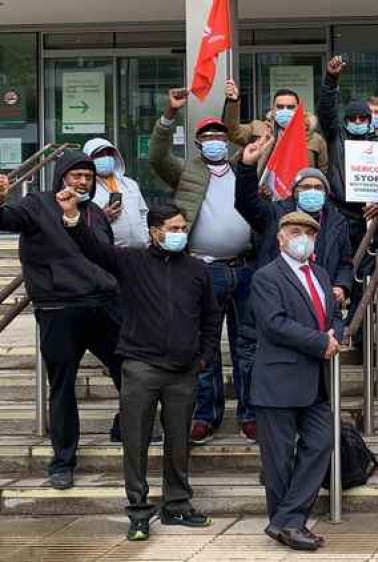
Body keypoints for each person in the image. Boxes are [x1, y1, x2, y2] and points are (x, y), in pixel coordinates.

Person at [60, 199, 220, 541]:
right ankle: (138, 510)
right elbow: (93, 248)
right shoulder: (131, 261)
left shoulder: (196, 269)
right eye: (173, 229)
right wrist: (73, 218)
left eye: (182, 228)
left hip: (183, 370)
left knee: (179, 441)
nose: (180, 234)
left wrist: (203, 357)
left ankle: (177, 504)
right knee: (136, 441)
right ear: (155, 232)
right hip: (141, 367)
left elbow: (210, 317)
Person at [0, 151, 123, 490]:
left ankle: (126, 428)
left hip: (103, 305)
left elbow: (106, 257)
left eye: (88, 176)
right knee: (63, 387)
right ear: (61, 177)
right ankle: (63, 461)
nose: (82, 182)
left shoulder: (95, 212)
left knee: (129, 369)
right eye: (75, 176)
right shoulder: (36, 205)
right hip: (58, 310)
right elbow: (6, 220)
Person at [150, 87, 256, 445]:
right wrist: (169, 114)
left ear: (227, 142)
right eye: (206, 137)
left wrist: (234, 104)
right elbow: (157, 156)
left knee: (247, 344)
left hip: (244, 269)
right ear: (197, 144)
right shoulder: (186, 173)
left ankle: (250, 413)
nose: (213, 141)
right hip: (203, 270)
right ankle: (204, 415)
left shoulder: (246, 168)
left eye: (218, 136)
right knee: (205, 349)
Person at [252, 212, 340, 552]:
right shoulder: (266, 277)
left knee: (321, 443)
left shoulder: (319, 273)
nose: (302, 237)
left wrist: (336, 333)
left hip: (315, 380)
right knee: (277, 459)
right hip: (278, 379)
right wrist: (321, 342)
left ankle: (285, 520)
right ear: (280, 238)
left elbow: (332, 316)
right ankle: (290, 524)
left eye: (308, 232)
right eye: (295, 231)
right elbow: (274, 323)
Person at [317, 56, 378, 324]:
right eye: (353, 118)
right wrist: (331, 80)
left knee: (364, 272)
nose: (358, 121)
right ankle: (331, 318)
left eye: (363, 118)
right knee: (334, 266)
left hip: (369, 217)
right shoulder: (336, 138)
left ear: (371, 121)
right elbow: (326, 111)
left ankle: (359, 326)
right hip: (339, 212)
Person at [235, 135, 353, 291]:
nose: (312, 191)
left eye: (318, 188)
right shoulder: (275, 213)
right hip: (279, 293)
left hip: (321, 294)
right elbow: (246, 203)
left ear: (325, 193)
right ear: (295, 192)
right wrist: (247, 166)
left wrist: (341, 285)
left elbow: (345, 263)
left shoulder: (337, 221)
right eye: (305, 187)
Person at [223, 80, 329, 176]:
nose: (285, 111)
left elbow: (322, 173)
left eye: (290, 107)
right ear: (272, 109)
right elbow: (233, 132)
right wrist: (233, 102)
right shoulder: (258, 129)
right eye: (280, 107)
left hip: (298, 193)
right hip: (263, 194)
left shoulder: (315, 139)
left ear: (299, 110)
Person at [83, 138, 150, 249]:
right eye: (99, 155)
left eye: (108, 153)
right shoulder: (86, 188)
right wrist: (103, 217)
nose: (105, 157)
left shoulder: (130, 184)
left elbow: (143, 213)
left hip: (140, 252)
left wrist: (146, 237)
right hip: (111, 253)